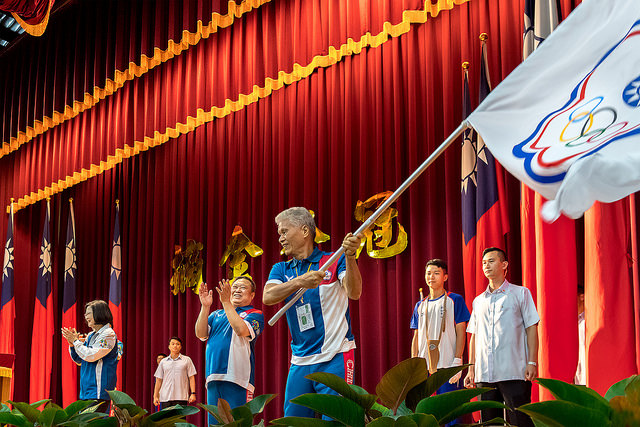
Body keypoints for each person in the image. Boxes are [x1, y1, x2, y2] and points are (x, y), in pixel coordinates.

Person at [263, 207, 363, 417]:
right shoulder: (281, 270)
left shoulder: (334, 260)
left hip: (335, 354)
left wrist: (351, 256)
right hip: (300, 360)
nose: (280, 238)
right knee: (293, 421)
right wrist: (300, 281)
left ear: (305, 231)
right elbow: (268, 296)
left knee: (337, 420)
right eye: (279, 233)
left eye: (284, 231)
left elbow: (354, 292)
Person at [464, 247, 540, 427]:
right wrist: (471, 368)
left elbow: (531, 328)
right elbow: (474, 335)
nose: (486, 266)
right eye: (483, 263)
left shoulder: (520, 293)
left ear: (504, 264)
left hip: (514, 370)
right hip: (485, 374)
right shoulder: (478, 301)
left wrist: (532, 362)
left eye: (491, 261)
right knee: (490, 423)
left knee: (519, 420)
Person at [195, 275, 264, 424]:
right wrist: (205, 306)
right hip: (213, 377)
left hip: (238, 379)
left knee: (238, 424)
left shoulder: (255, 314)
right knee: (214, 424)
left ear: (252, 295)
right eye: (235, 286)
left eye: (243, 287)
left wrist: (226, 302)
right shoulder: (216, 314)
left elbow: (241, 330)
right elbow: (200, 334)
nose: (238, 289)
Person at [410, 259, 470, 390]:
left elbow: (461, 331)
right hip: (423, 368)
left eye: (436, 273)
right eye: (428, 273)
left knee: (446, 407)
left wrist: (457, 359)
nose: (431, 277)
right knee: (424, 407)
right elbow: (416, 336)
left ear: (445, 277)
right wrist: (413, 364)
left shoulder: (454, 299)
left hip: (447, 365)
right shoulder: (420, 305)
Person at [61, 300, 120, 413]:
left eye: (88, 313)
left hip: (98, 391)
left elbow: (91, 355)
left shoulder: (108, 334)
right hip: (87, 390)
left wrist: (76, 341)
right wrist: (72, 344)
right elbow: (80, 359)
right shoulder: (90, 335)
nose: (85, 316)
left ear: (98, 314)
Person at [153, 337, 197, 409]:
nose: (175, 346)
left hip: (181, 397)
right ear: (169, 346)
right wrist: (155, 396)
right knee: (167, 420)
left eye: (177, 344)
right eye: (173, 344)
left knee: (180, 420)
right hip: (165, 397)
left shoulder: (187, 360)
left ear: (180, 347)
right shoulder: (163, 362)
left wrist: (193, 393)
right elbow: (158, 380)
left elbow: (191, 377)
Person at [574, 284, 586, 385]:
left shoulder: (588, 321)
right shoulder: (572, 323)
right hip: (578, 377)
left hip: (588, 376)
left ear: (582, 297)